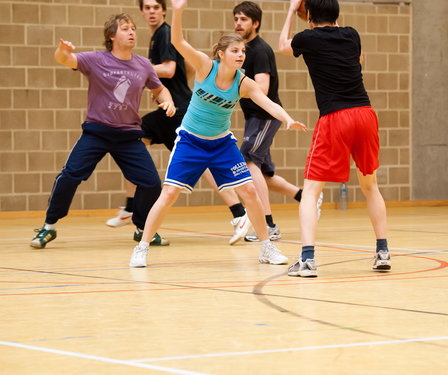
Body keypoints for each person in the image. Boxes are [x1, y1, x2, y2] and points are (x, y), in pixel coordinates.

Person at [129, 0, 306, 268]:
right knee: (168, 195)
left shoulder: (243, 82)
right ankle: (142, 247)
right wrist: (177, 11)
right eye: (235, 51)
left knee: (249, 191)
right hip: (191, 141)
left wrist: (289, 118)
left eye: (243, 51)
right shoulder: (204, 66)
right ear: (221, 54)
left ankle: (266, 247)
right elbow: (178, 42)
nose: (240, 55)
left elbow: (268, 102)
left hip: (222, 144)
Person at [106, 0, 252, 246]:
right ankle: (131, 206)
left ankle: (239, 213)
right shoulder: (155, 37)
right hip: (166, 110)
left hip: (180, 110)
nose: (151, 12)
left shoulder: (164, 33)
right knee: (132, 139)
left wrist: (135, 69)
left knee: (203, 165)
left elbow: (170, 68)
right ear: (142, 12)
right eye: (147, 8)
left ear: (164, 10)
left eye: (156, 7)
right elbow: (184, 69)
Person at [30, 13, 175, 249]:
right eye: (125, 29)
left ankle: (142, 229)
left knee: (151, 183)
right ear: (111, 35)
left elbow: (159, 89)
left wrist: (167, 101)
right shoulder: (96, 60)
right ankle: (48, 227)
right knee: (69, 176)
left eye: (133, 29)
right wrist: (63, 51)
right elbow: (65, 60)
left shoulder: (143, 64)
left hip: (128, 136)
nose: (131, 33)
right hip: (96, 133)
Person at [278, 0, 391, 277]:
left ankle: (306, 260)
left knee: (312, 190)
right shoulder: (352, 34)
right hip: (365, 114)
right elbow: (359, 59)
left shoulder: (307, 38)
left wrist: (292, 9)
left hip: (335, 118)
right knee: (370, 185)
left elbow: (282, 45)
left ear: (310, 15)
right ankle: (382, 251)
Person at [233, 1, 323, 242]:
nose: (238, 23)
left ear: (256, 23)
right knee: (265, 175)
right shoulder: (244, 48)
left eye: (243, 19)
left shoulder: (260, 50)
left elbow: (262, 87)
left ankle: (268, 225)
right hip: (254, 118)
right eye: (236, 19)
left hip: (264, 117)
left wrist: (233, 86)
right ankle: (306, 197)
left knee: (248, 162)